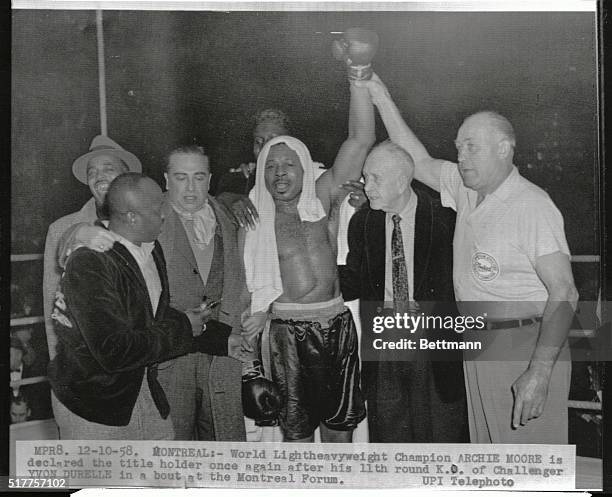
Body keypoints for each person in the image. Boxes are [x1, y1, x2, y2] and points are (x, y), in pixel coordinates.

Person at [358, 74, 578, 443]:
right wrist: (380, 97)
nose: (460, 157)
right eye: (459, 147)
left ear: (504, 149)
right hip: (478, 345)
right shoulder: (466, 189)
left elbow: (565, 292)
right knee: (489, 463)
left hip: (525, 346)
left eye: (471, 147)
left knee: (530, 468)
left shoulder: (532, 205)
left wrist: (539, 373)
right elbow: (419, 159)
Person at [57, 146, 250, 441]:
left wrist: (220, 338)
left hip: (141, 391)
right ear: (133, 217)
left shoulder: (148, 248)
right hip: (95, 407)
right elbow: (115, 351)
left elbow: (150, 315)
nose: (166, 214)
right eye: (159, 209)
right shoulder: (91, 262)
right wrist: (186, 326)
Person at [241, 75, 375, 442]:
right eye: (270, 165)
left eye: (288, 164)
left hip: (336, 323)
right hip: (287, 332)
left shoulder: (321, 195)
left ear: (304, 166)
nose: (279, 173)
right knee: (297, 436)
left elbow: (361, 139)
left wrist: (359, 75)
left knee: (340, 431)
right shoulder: (252, 212)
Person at [341, 140, 468, 443]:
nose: (366, 186)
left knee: (439, 437)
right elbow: (354, 281)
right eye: (365, 177)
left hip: (433, 343)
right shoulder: (363, 222)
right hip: (385, 343)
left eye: (375, 178)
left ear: (401, 181)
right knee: (388, 437)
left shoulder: (445, 219)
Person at [43, 135, 142, 360]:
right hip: (92, 376)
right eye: (92, 172)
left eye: (108, 169)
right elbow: (54, 317)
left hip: (147, 373)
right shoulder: (61, 230)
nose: (99, 177)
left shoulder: (150, 222)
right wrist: (63, 384)